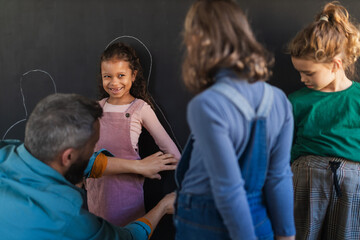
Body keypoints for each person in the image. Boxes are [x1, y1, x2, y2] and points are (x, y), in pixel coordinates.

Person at [174, 0, 295, 240]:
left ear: (198, 40)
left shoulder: (206, 104)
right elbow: (279, 177)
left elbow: (228, 189)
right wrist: (286, 236)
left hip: (204, 221)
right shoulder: (279, 100)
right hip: (259, 218)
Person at [0, 93, 175, 240]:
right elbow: (128, 238)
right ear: (68, 157)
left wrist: (137, 166)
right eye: (92, 147)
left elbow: (85, 163)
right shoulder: (70, 221)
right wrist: (162, 207)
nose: (93, 152)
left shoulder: (4, 150)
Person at [86, 42, 181, 226]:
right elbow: (85, 153)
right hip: (97, 197)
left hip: (127, 199)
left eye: (121, 75)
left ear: (133, 75)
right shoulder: (96, 108)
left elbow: (171, 151)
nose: (114, 82)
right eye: (108, 76)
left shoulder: (140, 109)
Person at [287, 2, 360, 239]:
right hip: (306, 181)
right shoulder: (296, 101)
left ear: (335, 65)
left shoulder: (357, 97)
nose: (302, 79)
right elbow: (282, 144)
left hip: (353, 186)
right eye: (299, 72)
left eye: (309, 73)